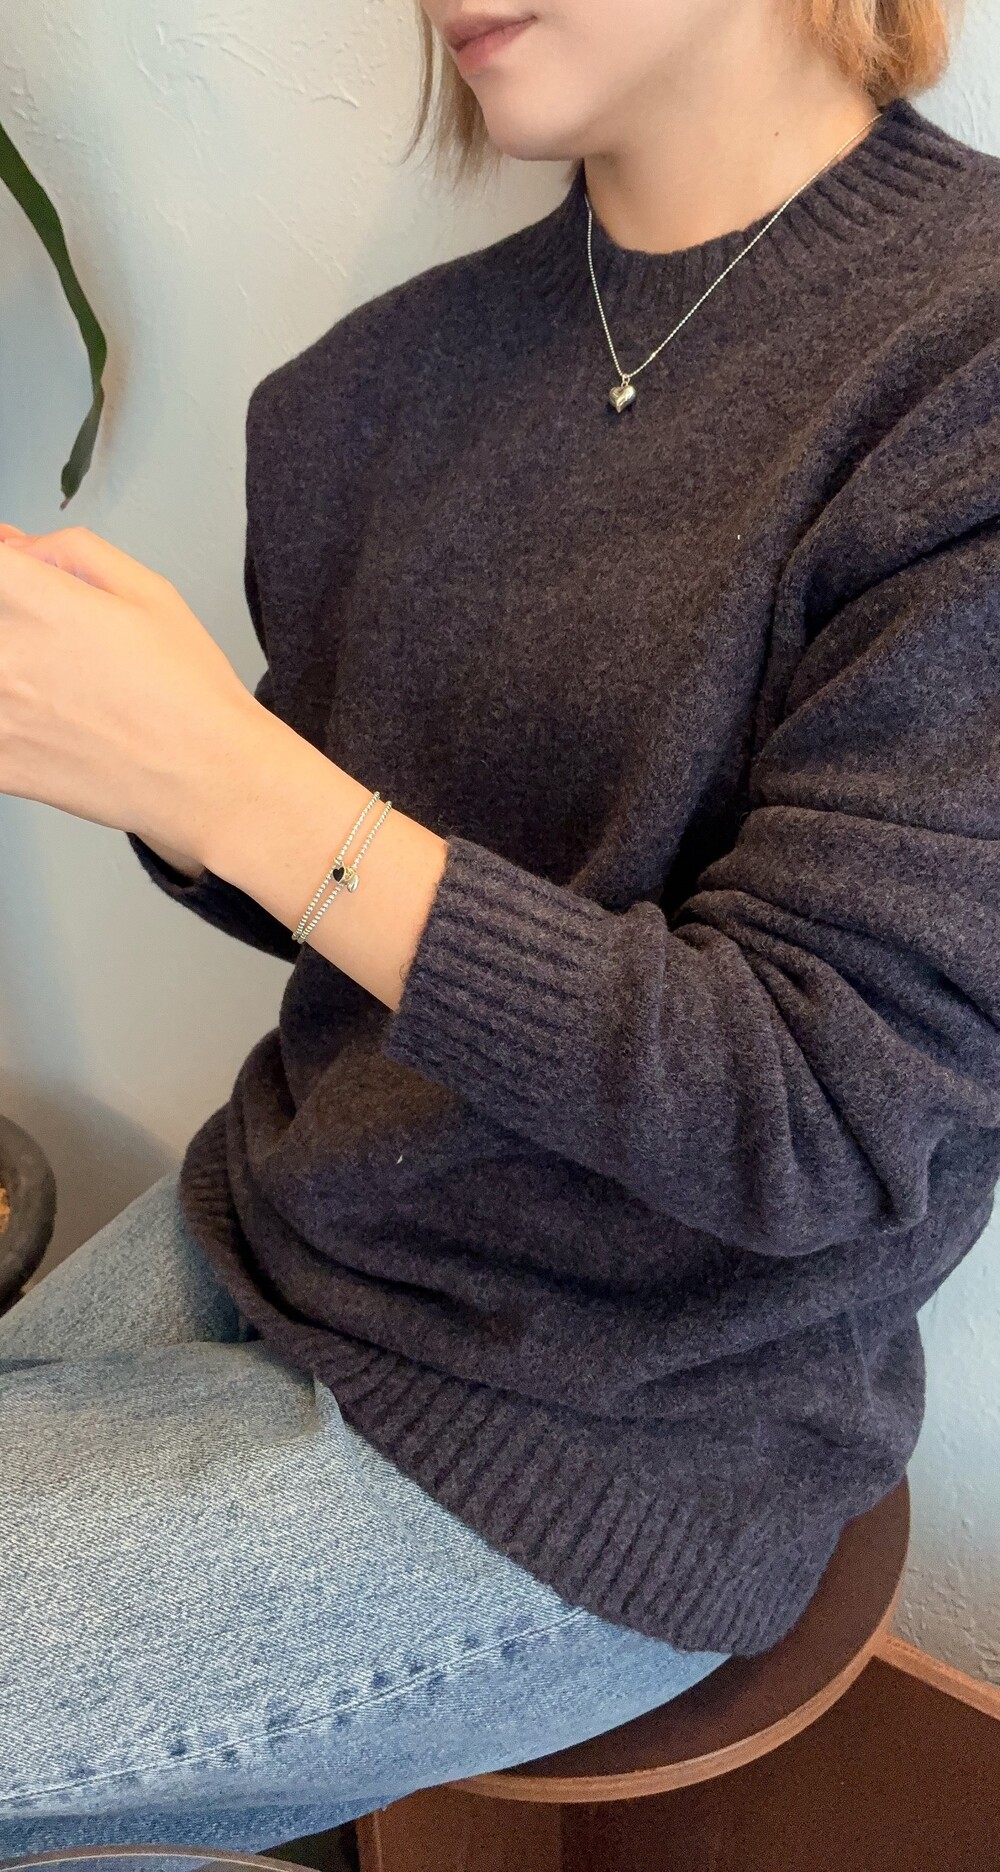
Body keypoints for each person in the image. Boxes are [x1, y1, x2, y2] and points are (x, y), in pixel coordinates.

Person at [0, 0, 997, 1855]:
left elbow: (824, 1112)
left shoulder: (963, 365)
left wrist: (226, 780)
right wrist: (147, 755)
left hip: (627, 1425)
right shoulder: (378, 384)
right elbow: (377, 880)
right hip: (292, 1216)